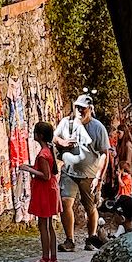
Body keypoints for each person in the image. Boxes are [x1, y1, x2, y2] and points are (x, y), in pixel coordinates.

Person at [53, 94, 109, 250]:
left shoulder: (98, 128)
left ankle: (91, 238)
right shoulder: (66, 122)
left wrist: (99, 177)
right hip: (69, 172)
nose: (79, 110)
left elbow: (105, 153)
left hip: (89, 175)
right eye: (77, 107)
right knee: (65, 202)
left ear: (89, 109)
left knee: (90, 207)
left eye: (82, 108)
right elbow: (54, 137)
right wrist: (63, 142)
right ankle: (69, 240)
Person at [22, 120, 60, 262]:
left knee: (43, 225)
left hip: (45, 191)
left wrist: (28, 169)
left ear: (40, 135)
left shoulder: (43, 154)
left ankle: (45, 259)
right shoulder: (48, 151)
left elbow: (45, 175)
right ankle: (53, 259)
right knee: (49, 225)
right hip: (50, 190)